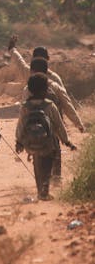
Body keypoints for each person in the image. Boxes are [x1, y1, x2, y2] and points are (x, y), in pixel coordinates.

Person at [23, 56, 84, 184]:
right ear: (47, 70)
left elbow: (24, 113)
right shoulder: (54, 86)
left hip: (33, 130)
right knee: (55, 153)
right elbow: (67, 105)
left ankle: (41, 182)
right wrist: (77, 123)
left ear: (32, 71)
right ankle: (56, 179)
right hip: (53, 130)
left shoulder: (27, 89)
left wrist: (21, 138)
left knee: (36, 153)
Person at [16, 72, 76, 201]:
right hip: (49, 142)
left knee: (37, 166)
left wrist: (19, 142)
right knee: (47, 166)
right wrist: (66, 141)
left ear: (30, 90)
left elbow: (20, 125)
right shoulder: (49, 105)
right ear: (45, 90)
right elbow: (59, 125)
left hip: (31, 142)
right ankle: (45, 191)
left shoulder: (25, 106)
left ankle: (39, 191)